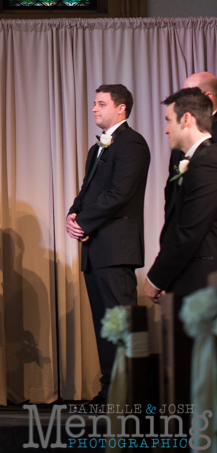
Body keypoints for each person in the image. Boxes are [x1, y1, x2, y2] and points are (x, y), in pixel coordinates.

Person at [66, 84, 150, 402]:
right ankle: (109, 390)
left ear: (121, 108)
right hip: (95, 250)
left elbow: (119, 194)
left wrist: (84, 222)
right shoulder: (96, 148)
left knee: (121, 322)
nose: (94, 109)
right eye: (94, 103)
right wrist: (73, 215)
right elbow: (87, 191)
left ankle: (132, 394)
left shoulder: (132, 143)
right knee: (105, 324)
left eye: (101, 104)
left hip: (116, 249)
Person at [145, 87, 217, 301]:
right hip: (190, 275)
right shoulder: (201, 160)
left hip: (203, 279)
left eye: (169, 120)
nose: (166, 130)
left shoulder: (207, 162)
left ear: (186, 119)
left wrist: (156, 279)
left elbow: (190, 231)